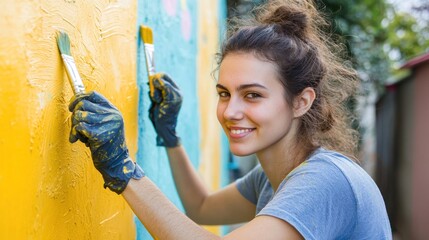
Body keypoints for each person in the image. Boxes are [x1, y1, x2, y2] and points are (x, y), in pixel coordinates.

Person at [68, 0, 392, 239]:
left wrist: (122, 168)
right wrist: (170, 137)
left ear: (301, 102)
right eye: (225, 93)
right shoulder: (272, 177)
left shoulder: (325, 181)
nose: (230, 111)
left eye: (252, 95)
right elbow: (202, 207)